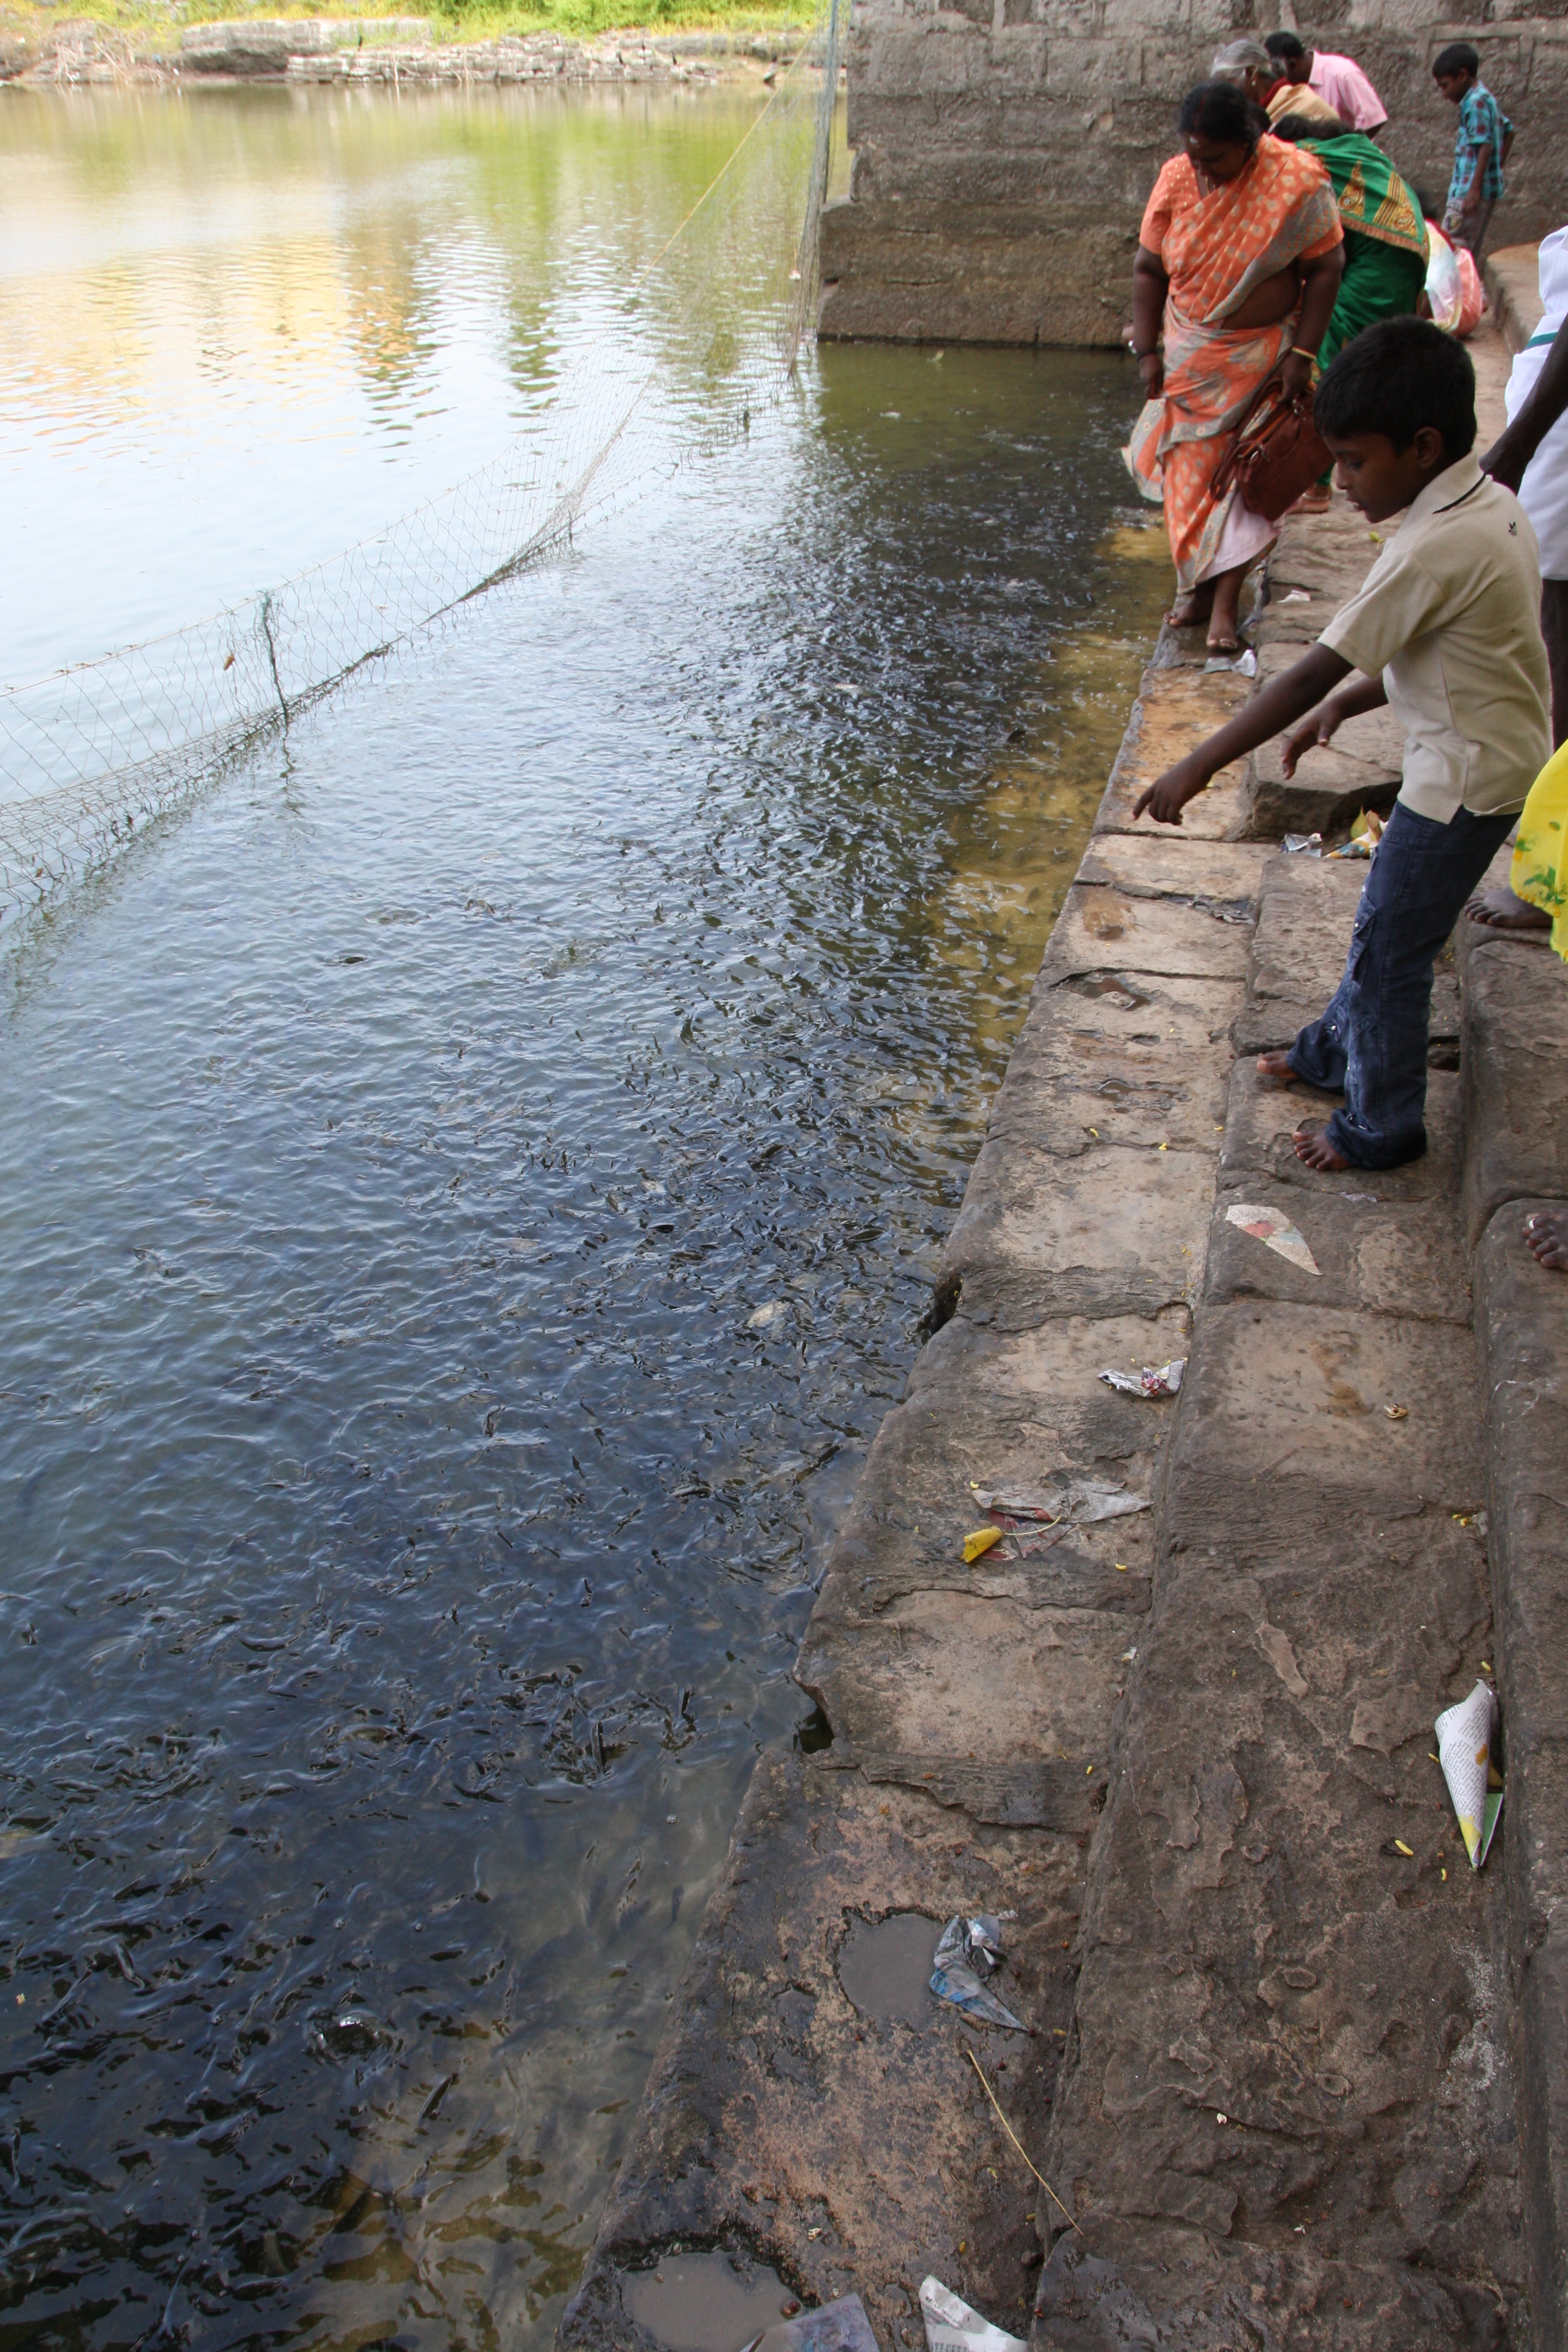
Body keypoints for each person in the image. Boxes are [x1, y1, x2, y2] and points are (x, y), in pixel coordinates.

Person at [1132, 317, 1550, 1172]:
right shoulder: (1490, 505)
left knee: (1393, 948)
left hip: (1462, 782)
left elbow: (1304, 676)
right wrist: (1354, 704)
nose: (1342, 481)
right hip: (1490, 755)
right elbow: (1458, 648)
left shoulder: (1431, 547)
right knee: (1383, 926)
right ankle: (1330, 1052)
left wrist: (1196, 765)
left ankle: (1382, 1126)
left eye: (1355, 462)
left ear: (1422, 447)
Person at [1128, 80, 1343, 657]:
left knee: (1243, 478)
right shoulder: (1177, 176)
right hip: (1189, 360)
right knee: (1189, 481)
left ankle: (1225, 604)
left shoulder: (1295, 180)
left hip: (1262, 361)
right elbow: (1149, 267)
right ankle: (1197, 590)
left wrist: (1303, 354)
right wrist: (1147, 351)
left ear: (1248, 142)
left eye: (1216, 159)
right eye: (1194, 157)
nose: (1203, 172)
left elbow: (1327, 267)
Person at [1270, 115, 1428, 366]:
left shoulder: (1307, 163)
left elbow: (1322, 255)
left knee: (1323, 354)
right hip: (1406, 255)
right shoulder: (1352, 153)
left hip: (1380, 269)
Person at [1433, 41, 1512, 261]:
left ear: (1462, 75)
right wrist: (1496, 167)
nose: (1444, 93)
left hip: (1467, 195)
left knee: (1452, 253)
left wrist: (1475, 188)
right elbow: (1508, 130)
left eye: (1445, 85)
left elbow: (1485, 144)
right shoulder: (1486, 97)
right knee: (1468, 254)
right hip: (1478, 191)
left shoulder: (1475, 102)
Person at [1265, 30, 1387, 137]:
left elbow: (1374, 119)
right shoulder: (1294, 86)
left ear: (1292, 65)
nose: (1279, 80)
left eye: (1279, 74)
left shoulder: (1342, 74)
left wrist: (1348, 148)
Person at [1211, 38, 1342, 132]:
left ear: (1251, 74)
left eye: (1228, 84)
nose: (1225, 94)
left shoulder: (1305, 104)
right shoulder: (1247, 116)